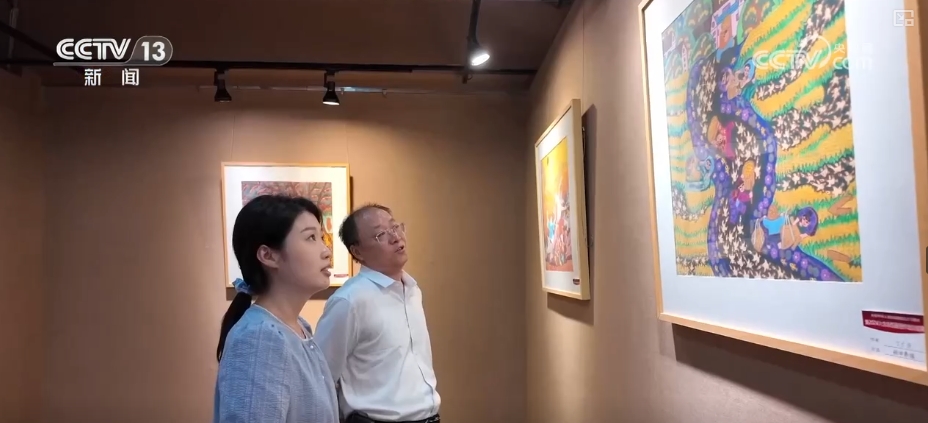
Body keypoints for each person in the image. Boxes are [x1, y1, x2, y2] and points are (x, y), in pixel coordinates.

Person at [213, 194, 339, 423]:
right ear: (268, 256)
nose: (326, 251)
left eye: (321, 237)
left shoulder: (299, 328)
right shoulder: (259, 337)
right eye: (311, 237)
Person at [315, 204, 441, 423]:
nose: (395, 237)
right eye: (381, 234)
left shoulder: (412, 290)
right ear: (358, 252)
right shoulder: (350, 301)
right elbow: (320, 375)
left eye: (395, 227)